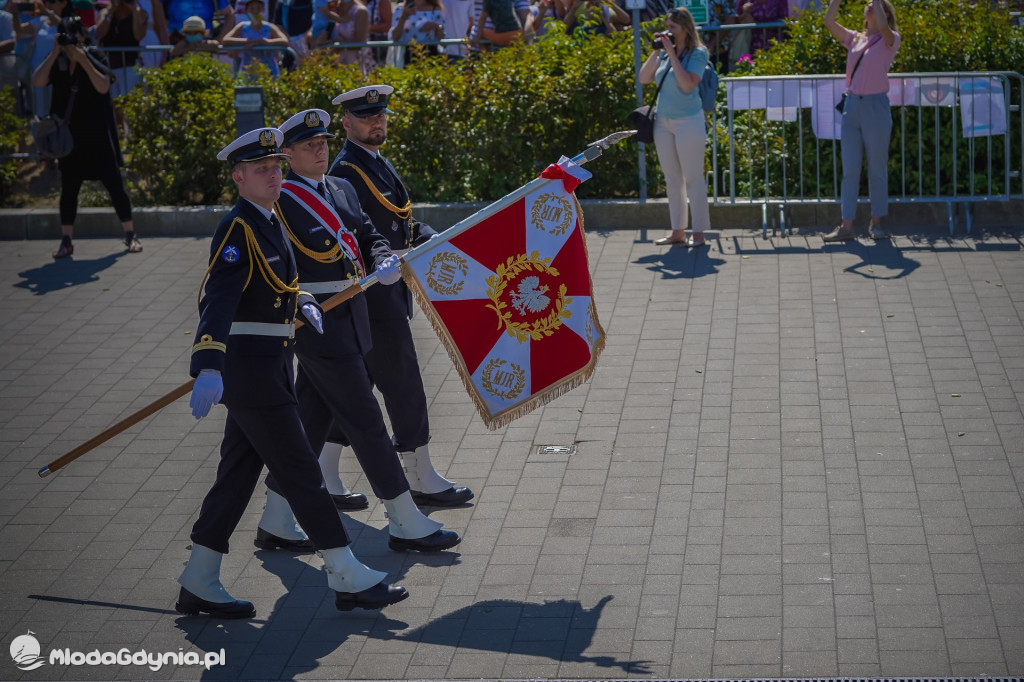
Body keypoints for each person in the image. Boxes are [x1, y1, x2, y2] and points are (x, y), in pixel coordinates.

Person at [179, 126, 409, 618]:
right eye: (260, 169)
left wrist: (299, 299)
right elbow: (218, 301)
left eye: (276, 167)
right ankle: (344, 571)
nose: (272, 175)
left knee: (236, 475)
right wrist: (208, 365)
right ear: (238, 178)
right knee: (303, 471)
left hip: (271, 365)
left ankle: (199, 577)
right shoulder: (238, 228)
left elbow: (273, 283)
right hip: (252, 372)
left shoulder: (269, 218)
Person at [258, 108, 462, 553]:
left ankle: (275, 516)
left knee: (310, 422)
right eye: (309, 145)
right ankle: (404, 519)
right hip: (319, 325)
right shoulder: (282, 202)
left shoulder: (341, 187)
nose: (320, 150)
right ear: (288, 154)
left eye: (323, 142)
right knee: (368, 423)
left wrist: (382, 258)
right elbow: (280, 269)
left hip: (355, 318)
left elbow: (369, 235)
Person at [327, 84, 474, 508]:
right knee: (404, 383)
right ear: (346, 123)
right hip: (373, 295)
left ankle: (324, 472)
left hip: (387, 290)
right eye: (366, 116)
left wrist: (434, 238)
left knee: (351, 388)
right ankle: (420, 474)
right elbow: (358, 237)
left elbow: (401, 222)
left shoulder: (372, 161)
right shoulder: (346, 171)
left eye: (381, 114)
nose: (377, 121)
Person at [31, 15, 140, 259]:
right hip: (69, 140)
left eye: (73, 34)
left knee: (115, 186)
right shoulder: (57, 61)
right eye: (65, 35)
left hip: (97, 135)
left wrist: (83, 59)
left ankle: (130, 234)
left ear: (82, 36)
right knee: (69, 190)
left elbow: (103, 86)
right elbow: (38, 81)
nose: (70, 41)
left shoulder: (95, 56)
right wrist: (54, 52)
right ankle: (66, 241)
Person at [822, 0, 898, 242]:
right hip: (852, 105)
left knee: (877, 168)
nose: (869, 5)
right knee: (850, 170)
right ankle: (846, 226)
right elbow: (829, 22)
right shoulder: (855, 38)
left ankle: (876, 224)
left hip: (876, 106)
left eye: (875, 4)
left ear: (885, 13)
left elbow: (884, 28)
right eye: (868, 3)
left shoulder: (891, 39)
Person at [640, 7, 711, 249]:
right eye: (666, 26)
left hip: (689, 122)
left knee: (693, 178)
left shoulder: (698, 53)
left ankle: (698, 233)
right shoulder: (663, 52)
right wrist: (657, 51)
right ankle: (677, 231)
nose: (667, 31)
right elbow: (644, 78)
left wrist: (672, 53)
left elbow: (688, 84)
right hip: (663, 122)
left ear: (685, 28)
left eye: (672, 27)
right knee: (672, 179)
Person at [220, 0, 287, 76]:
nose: (255, 11)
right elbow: (225, 40)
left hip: (268, 68)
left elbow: (284, 41)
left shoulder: (270, 27)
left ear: (263, 9)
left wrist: (266, 42)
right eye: (252, 8)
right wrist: (247, 41)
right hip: (248, 69)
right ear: (246, 11)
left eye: (258, 8)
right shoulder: (243, 27)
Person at [95, 0, 145, 97]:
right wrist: (112, 9)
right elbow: (100, 33)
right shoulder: (105, 12)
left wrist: (134, 10)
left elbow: (139, 35)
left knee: (129, 102)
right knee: (111, 102)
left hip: (130, 66)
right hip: (108, 67)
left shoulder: (140, 13)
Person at [317, 0, 374, 72]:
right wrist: (319, 40)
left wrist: (337, 45)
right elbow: (312, 32)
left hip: (354, 66)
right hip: (332, 66)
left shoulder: (361, 11)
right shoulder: (331, 7)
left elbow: (360, 44)